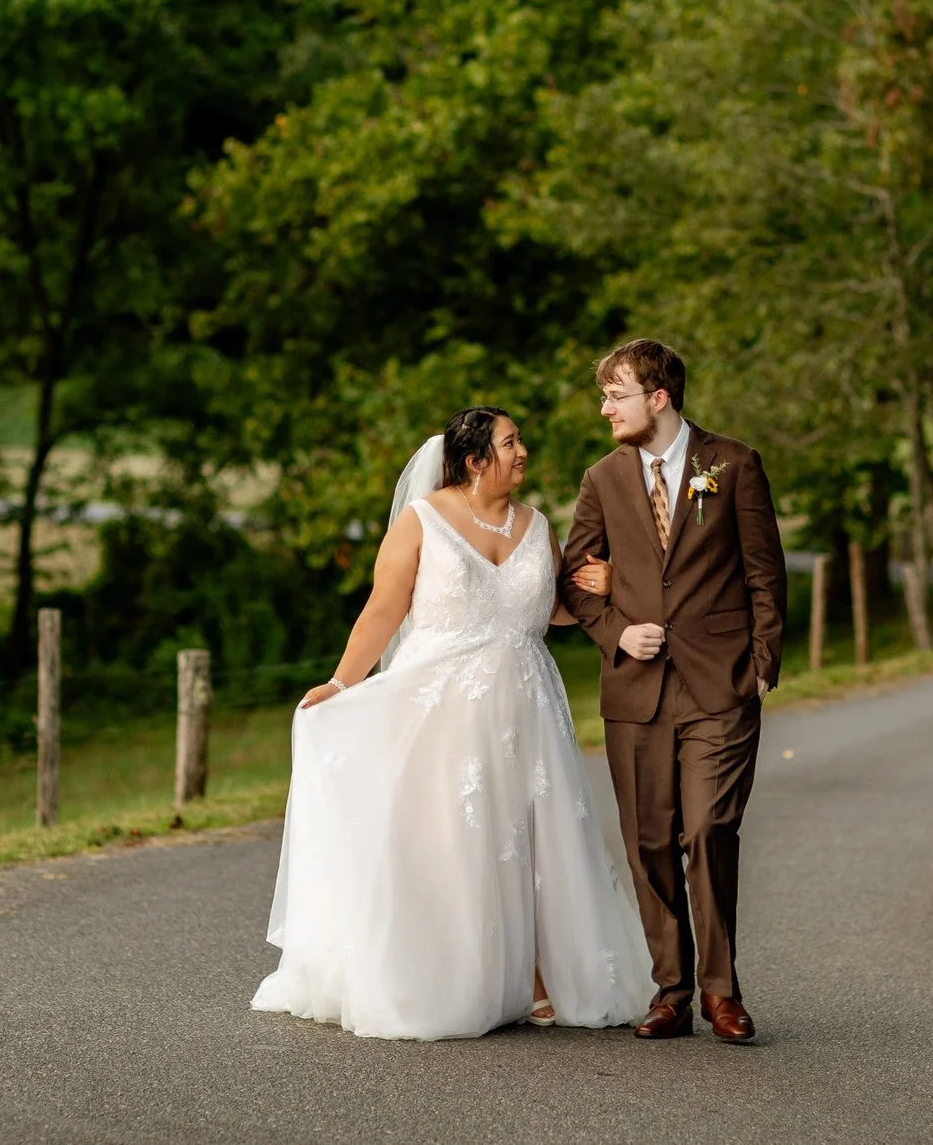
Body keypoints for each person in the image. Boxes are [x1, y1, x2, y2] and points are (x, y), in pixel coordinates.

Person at [252, 407, 653, 1040]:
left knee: (534, 835)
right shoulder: (423, 522)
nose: (523, 452)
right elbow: (385, 608)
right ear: (475, 461)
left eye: (519, 441)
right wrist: (339, 682)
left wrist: (608, 588)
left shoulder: (538, 525)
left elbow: (555, 611)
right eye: (510, 443)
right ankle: (452, 975)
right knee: (455, 838)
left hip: (528, 704)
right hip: (441, 707)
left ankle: (542, 974)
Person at [556, 339, 787, 1044]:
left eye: (615, 394)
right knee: (650, 839)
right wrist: (617, 631)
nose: (605, 407)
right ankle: (671, 989)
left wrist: (761, 666)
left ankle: (722, 990)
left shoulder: (733, 464)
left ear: (657, 396)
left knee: (709, 828)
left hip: (721, 684)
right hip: (637, 690)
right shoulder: (601, 478)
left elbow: (765, 572)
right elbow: (570, 578)